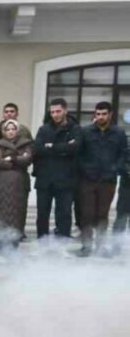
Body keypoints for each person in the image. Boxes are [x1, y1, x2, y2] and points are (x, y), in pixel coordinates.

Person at [77, 101, 127, 256]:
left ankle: (100, 246)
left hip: (108, 180)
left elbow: (124, 154)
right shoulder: (86, 132)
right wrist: (85, 169)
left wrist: (115, 169)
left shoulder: (119, 133)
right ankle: (86, 246)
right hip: (88, 179)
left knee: (102, 214)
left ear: (110, 115)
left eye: (104, 114)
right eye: (98, 114)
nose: (100, 117)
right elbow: (79, 154)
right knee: (87, 213)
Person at [33, 98, 81, 240]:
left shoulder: (75, 128)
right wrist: (64, 148)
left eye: (58, 111)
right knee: (42, 213)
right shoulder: (44, 129)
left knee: (64, 213)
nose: (55, 114)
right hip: (44, 179)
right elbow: (38, 149)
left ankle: (63, 239)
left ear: (65, 110)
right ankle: (42, 240)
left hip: (66, 178)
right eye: (52, 111)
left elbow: (75, 148)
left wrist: (52, 146)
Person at [0, 119, 33, 243]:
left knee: (19, 209)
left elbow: (28, 159)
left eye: (13, 129)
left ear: (18, 130)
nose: (11, 132)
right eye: (8, 129)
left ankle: (17, 234)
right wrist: (17, 161)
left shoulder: (26, 143)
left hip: (19, 182)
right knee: (2, 209)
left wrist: (11, 158)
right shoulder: (0, 144)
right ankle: (1, 234)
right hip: (2, 182)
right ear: (4, 131)